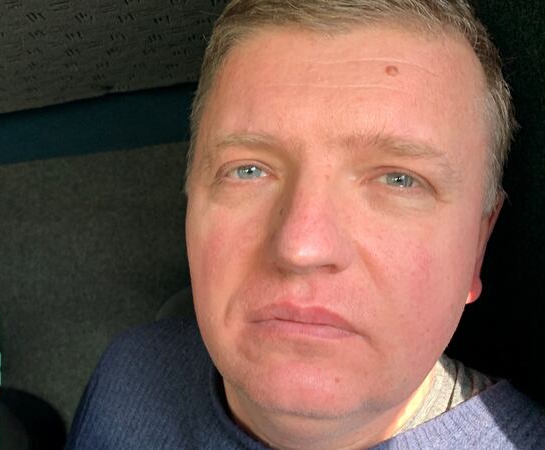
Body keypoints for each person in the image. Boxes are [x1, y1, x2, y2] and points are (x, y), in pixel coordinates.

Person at [66, 1, 545, 449]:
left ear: (478, 245)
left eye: (400, 180)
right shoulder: (127, 373)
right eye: (248, 169)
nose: (302, 246)